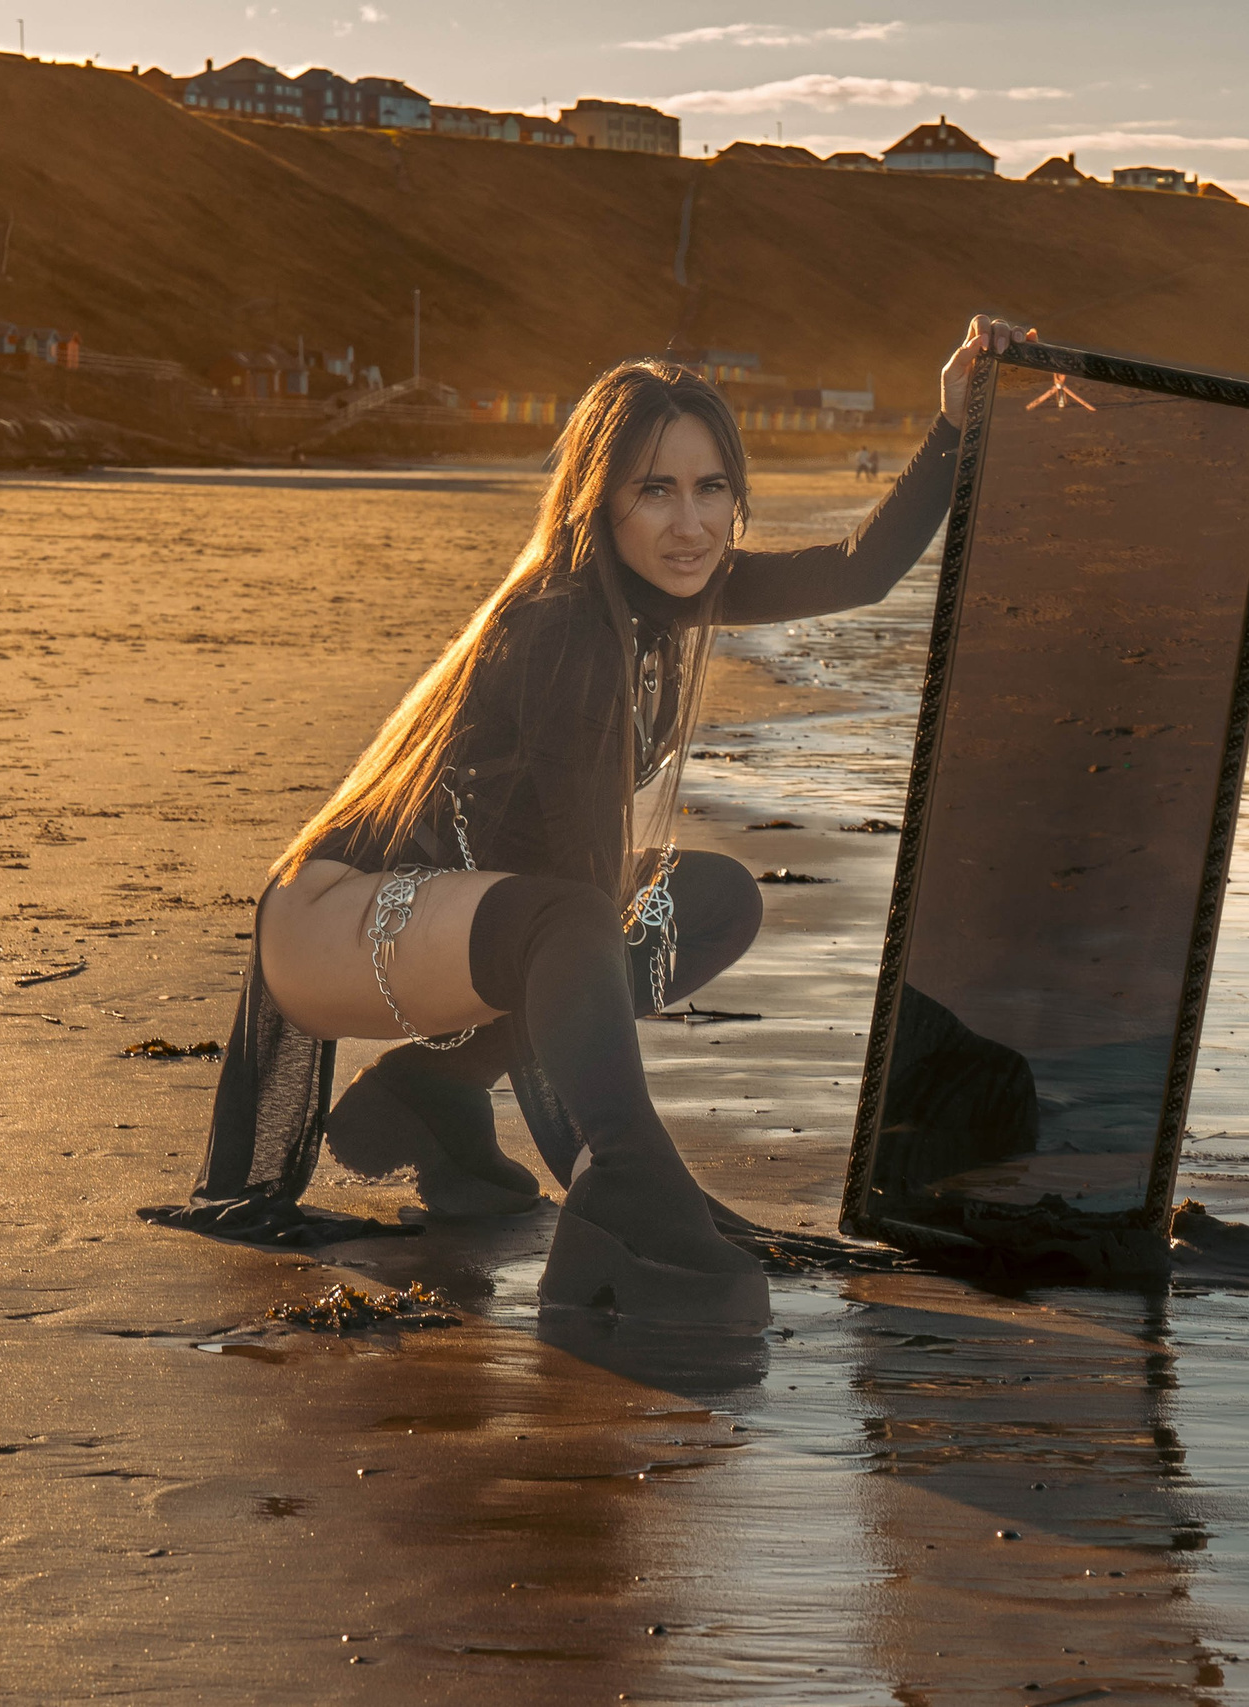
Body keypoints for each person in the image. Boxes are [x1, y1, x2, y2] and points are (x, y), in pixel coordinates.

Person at [148, 316, 1034, 1331]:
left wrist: (953, 426)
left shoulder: (665, 592)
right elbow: (561, 921)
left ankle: (430, 1095)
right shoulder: (564, 626)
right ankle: (614, 1179)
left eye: (711, 489)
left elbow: (856, 571)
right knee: (578, 918)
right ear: (600, 501)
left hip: (473, 920)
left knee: (705, 897)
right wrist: (621, 1181)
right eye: (654, 490)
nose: (690, 522)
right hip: (333, 923)